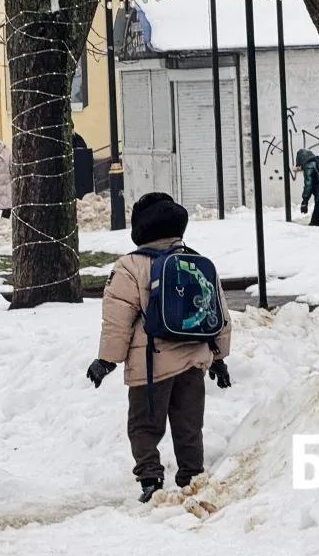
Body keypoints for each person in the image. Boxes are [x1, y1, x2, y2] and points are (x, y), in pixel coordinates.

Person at [86, 192, 232, 503]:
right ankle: (192, 476)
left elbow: (117, 320)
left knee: (144, 426)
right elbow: (219, 312)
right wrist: (219, 359)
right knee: (189, 425)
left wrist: (106, 360)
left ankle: (151, 479)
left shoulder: (129, 266)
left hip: (151, 364)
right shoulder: (197, 261)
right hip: (194, 360)